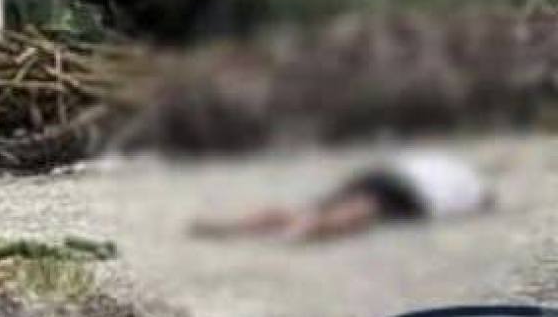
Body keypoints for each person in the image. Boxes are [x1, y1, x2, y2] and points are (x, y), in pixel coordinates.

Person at [189, 149, 496, 242]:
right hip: (411, 191)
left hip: (384, 172)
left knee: (311, 206)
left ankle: (234, 226)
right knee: (362, 209)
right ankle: (303, 232)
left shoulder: (447, 164)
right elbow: (484, 202)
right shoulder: (473, 188)